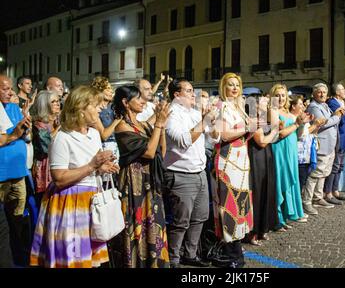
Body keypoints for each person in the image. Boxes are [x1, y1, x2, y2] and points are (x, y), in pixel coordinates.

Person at [30, 85, 119, 268]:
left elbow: (90, 167)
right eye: (95, 105)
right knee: (72, 259)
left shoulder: (94, 134)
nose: (101, 108)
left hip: (91, 200)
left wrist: (103, 167)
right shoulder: (63, 137)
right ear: (80, 109)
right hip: (70, 203)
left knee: (88, 260)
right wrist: (92, 165)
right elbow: (59, 178)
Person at [163, 79, 220, 268]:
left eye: (193, 90)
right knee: (180, 221)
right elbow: (182, 140)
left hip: (199, 172)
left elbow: (215, 136)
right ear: (176, 95)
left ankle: (190, 254)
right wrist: (204, 122)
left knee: (200, 216)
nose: (192, 94)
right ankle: (173, 259)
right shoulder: (171, 114)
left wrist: (212, 121)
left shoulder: (195, 113)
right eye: (188, 91)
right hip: (180, 173)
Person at [113, 85, 170, 268]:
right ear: (125, 102)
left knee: (153, 223)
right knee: (136, 224)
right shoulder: (122, 126)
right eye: (138, 98)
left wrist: (160, 126)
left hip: (150, 181)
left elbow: (161, 150)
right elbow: (149, 152)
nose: (143, 101)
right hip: (134, 183)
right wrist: (159, 125)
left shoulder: (143, 124)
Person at [210, 73, 252, 268]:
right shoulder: (221, 106)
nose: (234, 88)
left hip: (241, 160)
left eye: (237, 85)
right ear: (223, 87)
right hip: (227, 161)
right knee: (229, 205)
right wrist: (247, 128)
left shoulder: (238, 106)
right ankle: (231, 253)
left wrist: (250, 129)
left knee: (241, 203)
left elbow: (243, 136)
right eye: (230, 85)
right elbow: (224, 135)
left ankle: (235, 250)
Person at [0, 75, 31, 266]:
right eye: (5, 89)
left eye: (10, 88)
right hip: (1, 176)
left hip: (18, 173)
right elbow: (10, 136)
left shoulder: (13, 108)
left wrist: (25, 129)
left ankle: (17, 257)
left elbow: (25, 135)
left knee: (17, 221)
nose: (10, 92)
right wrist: (15, 135)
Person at [270, 84, 308, 230]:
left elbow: (296, 134)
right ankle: (277, 218)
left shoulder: (287, 112)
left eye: (283, 95)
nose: (280, 98)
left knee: (290, 180)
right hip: (279, 150)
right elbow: (278, 134)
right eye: (277, 95)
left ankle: (285, 215)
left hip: (291, 150)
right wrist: (296, 124)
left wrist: (301, 124)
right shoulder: (272, 111)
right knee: (280, 182)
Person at [303, 83, 344, 215]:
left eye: (324, 92)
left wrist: (335, 117)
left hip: (330, 145)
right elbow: (322, 123)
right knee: (315, 175)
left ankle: (318, 197)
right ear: (314, 94)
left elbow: (329, 120)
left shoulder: (325, 105)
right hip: (321, 145)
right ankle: (307, 201)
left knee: (324, 173)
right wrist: (337, 116)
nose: (322, 94)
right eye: (319, 92)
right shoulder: (313, 106)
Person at [247, 96, 279, 245]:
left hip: (266, 157)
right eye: (263, 102)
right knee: (258, 193)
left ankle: (263, 228)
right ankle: (253, 232)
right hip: (256, 157)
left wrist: (274, 129)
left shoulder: (264, 118)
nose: (267, 104)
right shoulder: (253, 118)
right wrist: (274, 131)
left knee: (267, 190)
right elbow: (262, 142)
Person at [30, 91, 61, 205]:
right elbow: (45, 145)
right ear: (44, 104)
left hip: (59, 162)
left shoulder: (59, 120)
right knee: (45, 201)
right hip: (45, 165)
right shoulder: (39, 125)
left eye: (58, 101)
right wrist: (58, 129)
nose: (57, 104)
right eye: (53, 101)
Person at [91, 76, 121, 161]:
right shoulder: (94, 109)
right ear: (99, 91)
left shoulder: (113, 107)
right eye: (108, 89)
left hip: (116, 146)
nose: (111, 91)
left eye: (111, 88)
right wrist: (117, 120)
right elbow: (104, 136)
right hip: (103, 148)